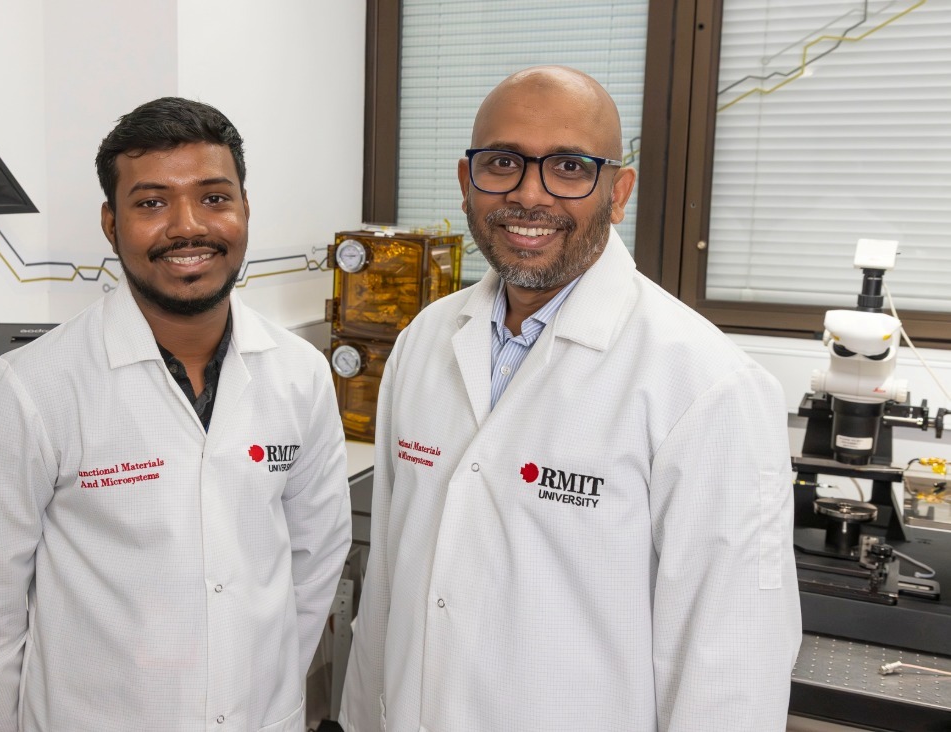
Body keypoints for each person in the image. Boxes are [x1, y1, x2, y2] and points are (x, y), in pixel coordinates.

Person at [340, 66, 801, 731]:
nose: (530, 195)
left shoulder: (706, 385)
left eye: (569, 167)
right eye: (502, 163)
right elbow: (385, 584)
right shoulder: (423, 343)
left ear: (618, 192)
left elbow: (730, 667)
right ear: (467, 182)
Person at [0, 97, 351, 732]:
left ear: (243, 209)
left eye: (214, 197)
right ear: (110, 222)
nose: (188, 226)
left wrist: (264, 686)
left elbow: (315, 558)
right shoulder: (28, 390)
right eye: (151, 203)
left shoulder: (299, 372)